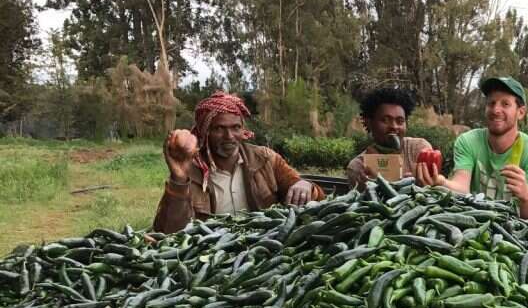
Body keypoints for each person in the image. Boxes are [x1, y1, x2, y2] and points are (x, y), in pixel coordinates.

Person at [153, 91, 323, 233]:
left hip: (260, 248)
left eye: (235, 128)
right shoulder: (193, 170)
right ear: (205, 132)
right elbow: (167, 232)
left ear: (243, 130)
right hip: (211, 255)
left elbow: (317, 200)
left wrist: (305, 185)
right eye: (219, 129)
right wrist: (179, 178)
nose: (229, 137)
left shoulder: (265, 159)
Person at [416, 76, 528, 218]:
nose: (496, 110)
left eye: (505, 104)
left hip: (515, 229)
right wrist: (441, 182)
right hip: (475, 223)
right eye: (491, 103)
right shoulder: (468, 141)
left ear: (520, 112)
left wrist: (526, 195)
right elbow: (462, 187)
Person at [346, 87, 432, 189]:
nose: (394, 126)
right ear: (369, 123)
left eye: (400, 121)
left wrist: (421, 185)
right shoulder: (357, 167)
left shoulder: (418, 149)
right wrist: (367, 186)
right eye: (385, 120)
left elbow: (434, 192)